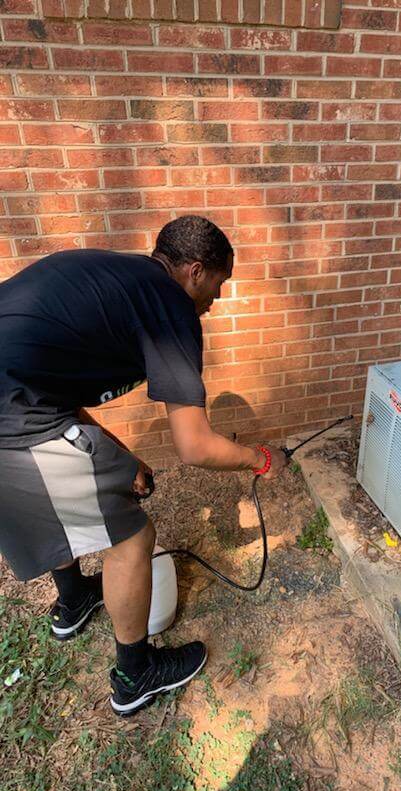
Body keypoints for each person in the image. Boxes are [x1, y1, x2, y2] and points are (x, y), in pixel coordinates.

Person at [0, 215, 287, 716]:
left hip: (21, 398)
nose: (216, 301)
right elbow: (194, 447)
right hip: (14, 416)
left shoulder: (124, 281)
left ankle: (74, 601)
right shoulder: (171, 306)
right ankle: (136, 675)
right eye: (219, 285)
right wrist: (260, 459)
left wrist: (121, 454)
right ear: (196, 271)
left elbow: (53, 385)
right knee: (130, 537)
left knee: (64, 496)